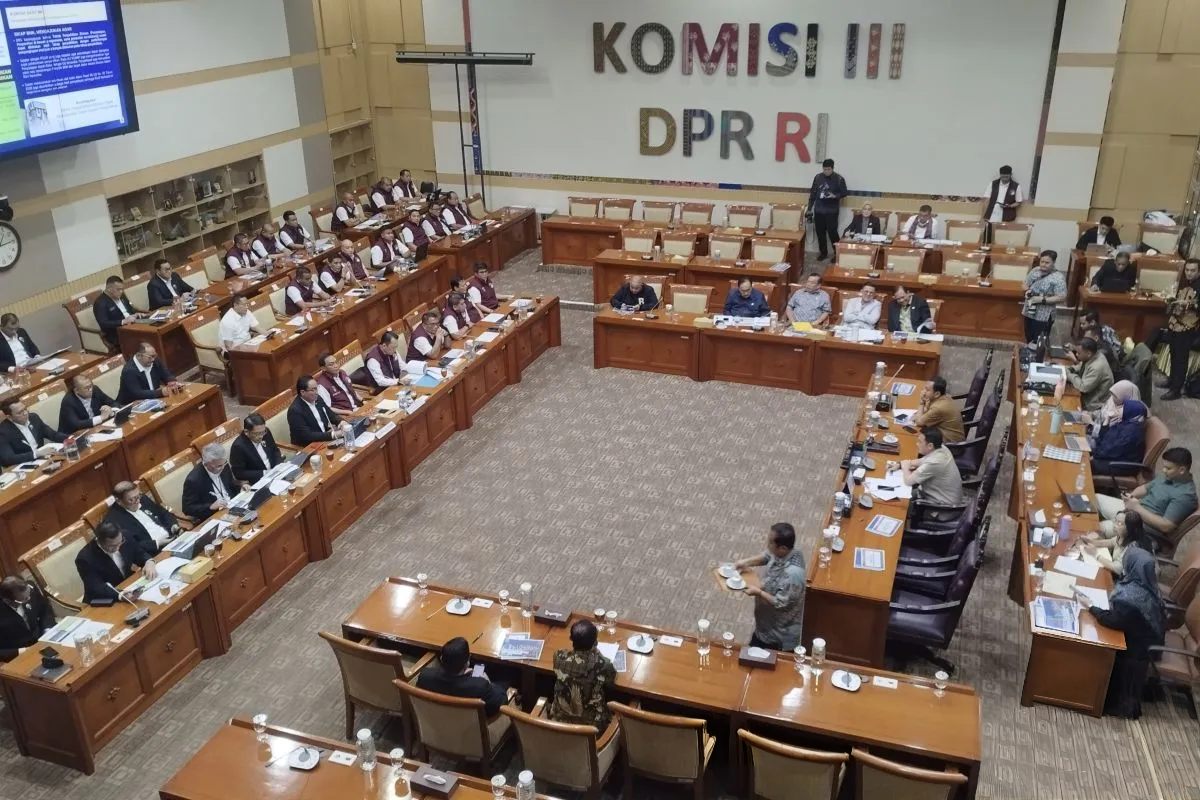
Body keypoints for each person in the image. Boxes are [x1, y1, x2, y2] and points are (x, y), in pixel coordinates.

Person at [1076, 513, 1164, 719]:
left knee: (1097, 636)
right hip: (1148, 636)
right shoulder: (1147, 584)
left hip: (1138, 650)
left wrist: (1091, 606)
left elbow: (1113, 620)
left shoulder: (1132, 597)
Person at [1094, 447, 1197, 544]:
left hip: (1143, 528)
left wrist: (1137, 508)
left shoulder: (1186, 496)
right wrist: (1130, 496)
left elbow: (1166, 526)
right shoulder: (1167, 476)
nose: (1164, 470)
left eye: (1168, 468)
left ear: (1182, 470)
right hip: (1135, 510)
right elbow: (1145, 488)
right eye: (1164, 467)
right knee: (1094, 499)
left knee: (1098, 528)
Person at [731, 523, 806, 651]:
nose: (767, 545)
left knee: (757, 657)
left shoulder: (793, 575)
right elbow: (767, 556)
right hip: (764, 624)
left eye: (770, 542)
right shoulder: (785, 551)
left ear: (783, 548)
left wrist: (759, 593)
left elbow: (781, 603)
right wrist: (745, 562)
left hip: (778, 634)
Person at [415, 636, 513, 716]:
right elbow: (501, 701)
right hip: (472, 729)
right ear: (467, 663)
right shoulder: (480, 686)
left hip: (437, 721)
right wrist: (488, 683)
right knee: (506, 677)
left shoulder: (424, 676)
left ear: (441, 658)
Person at [548, 619, 617, 729]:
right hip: (591, 726)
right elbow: (610, 682)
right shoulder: (603, 664)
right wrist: (596, 652)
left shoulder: (559, 656)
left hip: (559, 720)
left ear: (571, 639)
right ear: (595, 642)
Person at [75, 521, 156, 605]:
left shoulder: (125, 536)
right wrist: (121, 595)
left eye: (120, 542)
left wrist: (149, 562)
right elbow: (98, 587)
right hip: (106, 599)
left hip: (128, 585)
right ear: (99, 542)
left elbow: (139, 553)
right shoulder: (85, 558)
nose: (118, 548)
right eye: (112, 546)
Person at [1153, 259, 1200, 400]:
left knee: (1181, 358)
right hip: (1175, 323)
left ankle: (1176, 389)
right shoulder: (1184, 282)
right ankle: (1172, 380)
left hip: (1188, 327)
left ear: (1199, 271)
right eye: (1187, 270)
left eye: (1192, 270)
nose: (1189, 273)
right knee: (1173, 353)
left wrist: (1191, 304)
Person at [103, 480, 181, 554]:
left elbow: (162, 512)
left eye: (138, 496)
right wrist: (157, 543)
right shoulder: (114, 520)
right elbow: (130, 546)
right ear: (119, 501)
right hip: (154, 552)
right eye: (131, 499)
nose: (138, 501)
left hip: (172, 538)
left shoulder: (142, 498)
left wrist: (173, 525)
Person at [900, 427, 964, 517]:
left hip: (942, 510)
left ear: (930, 446)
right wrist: (901, 463)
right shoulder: (942, 448)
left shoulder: (934, 462)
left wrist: (905, 467)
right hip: (940, 497)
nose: (917, 444)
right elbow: (921, 461)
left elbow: (908, 481)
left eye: (920, 442)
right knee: (900, 496)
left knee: (899, 506)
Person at [182, 442, 241, 521]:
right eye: (219, 466)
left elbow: (230, 483)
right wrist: (210, 506)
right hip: (215, 515)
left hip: (233, 505)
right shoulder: (193, 480)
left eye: (225, 463)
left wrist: (241, 486)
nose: (223, 467)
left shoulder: (223, 463)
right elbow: (187, 508)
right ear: (206, 464)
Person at [0, 576, 55, 662]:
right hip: (20, 655)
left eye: (29, 595)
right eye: (24, 599)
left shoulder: (30, 588)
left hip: (43, 640)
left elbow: (45, 610)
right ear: (7, 601)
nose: (28, 599)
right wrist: (20, 651)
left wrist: (47, 628)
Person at [0, 398, 67, 466]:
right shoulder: (3, 431)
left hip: (45, 460)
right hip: (24, 465)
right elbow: (9, 458)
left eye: (25, 409)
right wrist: (36, 454)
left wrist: (70, 439)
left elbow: (53, 435)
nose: (25, 413)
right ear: (9, 417)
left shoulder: (33, 418)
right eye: (20, 413)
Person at [1091, 399, 1149, 478]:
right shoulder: (1126, 423)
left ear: (1130, 411)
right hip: (1115, 457)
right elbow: (1107, 440)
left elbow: (1112, 450)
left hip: (1123, 465)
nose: (1119, 409)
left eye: (1123, 408)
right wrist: (1106, 422)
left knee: (1088, 464)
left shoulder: (1131, 433)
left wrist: (1094, 452)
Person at [288, 376, 350, 446]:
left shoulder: (318, 399)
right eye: (313, 390)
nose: (316, 392)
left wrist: (341, 422)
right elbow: (307, 436)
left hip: (324, 439)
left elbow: (330, 414)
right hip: (308, 446)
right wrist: (334, 434)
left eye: (316, 388)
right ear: (302, 392)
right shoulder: (295, 411)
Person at [1021, 250, 1066, 343]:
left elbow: (1062, 297)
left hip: (1044, 314)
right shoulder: (1035, 271)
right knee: (1029, 337)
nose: (1043, 264)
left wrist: (1042, 299)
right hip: (1029, 310)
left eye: (1047, 262)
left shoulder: (1058, 277)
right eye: (1042, 262)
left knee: (1039, 341)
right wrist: (1027, 290)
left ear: (1053, 262)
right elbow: (1024, 284)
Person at [806, 158, 846, 261]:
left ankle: (837, 254)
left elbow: (844, 193)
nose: (826, 171)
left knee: (832, 233)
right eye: (824, 169)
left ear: (832, 168)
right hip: (819, 210)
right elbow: (813, 193)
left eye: (828, 169)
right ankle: (823, 253)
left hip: (832, 211)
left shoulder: (839, 179)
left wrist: (835, 196)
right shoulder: (818, 177)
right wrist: (809, 208)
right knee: (820, 233)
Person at [229, 413, 284, 483]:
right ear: (246, 432)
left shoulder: (265, 432)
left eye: (263, 432)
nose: (261, 436)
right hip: (259, 480)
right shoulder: (238, 447)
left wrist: (279, 465)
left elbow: (275, 450)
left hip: (276, 473)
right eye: (257, 433)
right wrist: (264, 473)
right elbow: (238, 473)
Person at [1066, 337, 1115, 412]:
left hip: (1093, 405)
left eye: (1079, 353)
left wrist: (1069, 375)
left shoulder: (1097, 367)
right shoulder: (1094, 355)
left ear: (1088, 353)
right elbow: (1082, 365)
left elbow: (1083, 387)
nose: (1076, 354)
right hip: (1087, 396)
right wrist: (1070, 369)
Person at [94, 275, 143, 349]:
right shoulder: (100, 303)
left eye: (122, 289)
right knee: (146, 338)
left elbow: (130, 309)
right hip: (117, 333)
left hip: (133, 325)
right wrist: (123, 321)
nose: (121, 291)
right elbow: (104, 323)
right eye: (118, 289)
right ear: (109, 289)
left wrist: (135, 314)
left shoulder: (121, 295)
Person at [911, 377, 965, 443]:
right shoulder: (945, 397)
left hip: (950, 444)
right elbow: (927, 411)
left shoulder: (938, 408)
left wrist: (922, 402)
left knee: (915, 440)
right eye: (924, 388)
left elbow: (919, 422)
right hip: (949, 435)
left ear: (937, 394)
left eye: (927, 390)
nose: (923, 392)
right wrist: (920, 414)